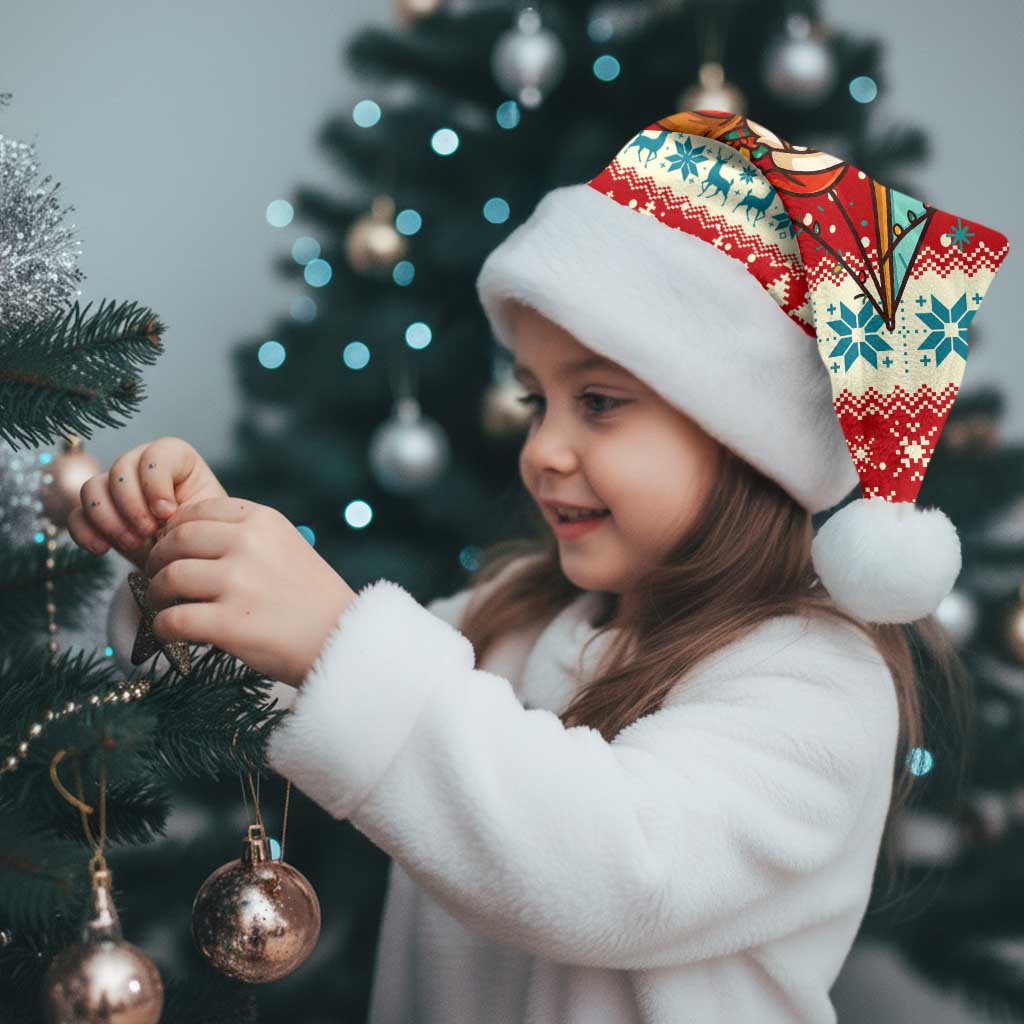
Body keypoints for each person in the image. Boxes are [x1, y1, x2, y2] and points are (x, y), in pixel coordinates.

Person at [74, 110, 1010, 1023]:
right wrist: (191, 564)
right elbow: (306, 691)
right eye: (535, 401)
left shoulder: (818, 683)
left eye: (598, 402)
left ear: (747, 441)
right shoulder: (515, 616)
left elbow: (616, 871)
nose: (543, 450)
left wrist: (335, 635)